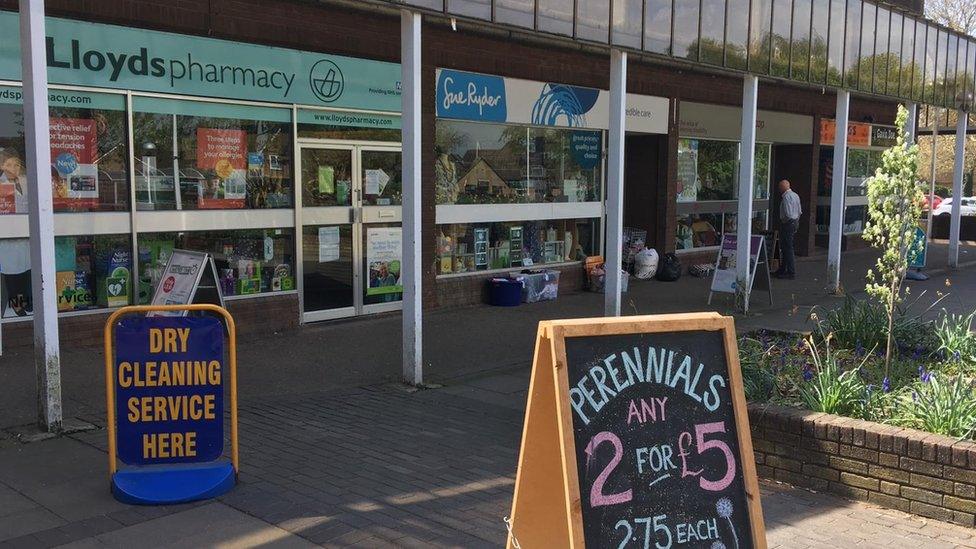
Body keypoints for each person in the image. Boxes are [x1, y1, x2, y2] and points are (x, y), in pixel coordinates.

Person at [774, 179, 801, 279]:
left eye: (779, 187)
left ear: (782, 187)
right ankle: (782, 269)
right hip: (794, 222)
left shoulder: (786, 197)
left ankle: (790, 272)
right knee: (786, 247)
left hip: (788, 223)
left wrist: (784, 221)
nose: (778, 189)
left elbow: (788, 214)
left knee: (787, 248)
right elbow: (799, 211)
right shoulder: (795, 195)